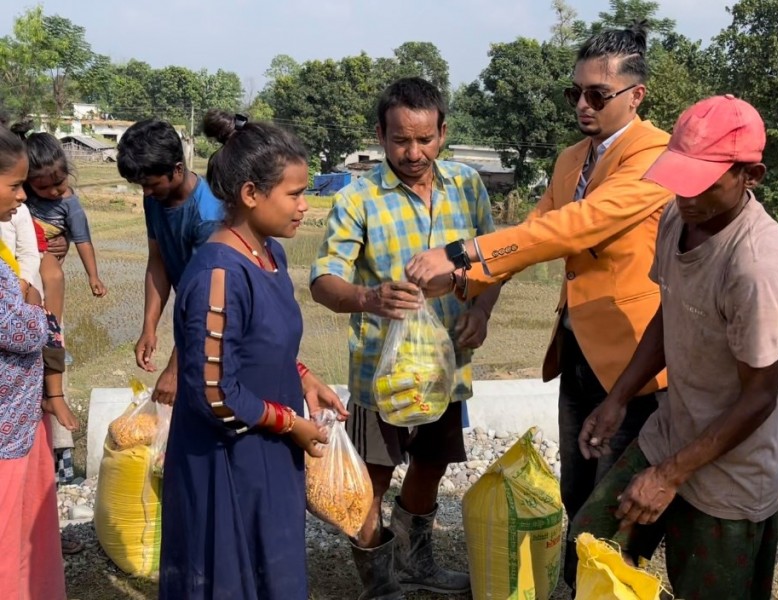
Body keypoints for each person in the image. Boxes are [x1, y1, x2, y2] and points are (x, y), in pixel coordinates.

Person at [405, 24, 673, 593]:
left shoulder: (657, 156)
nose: (581, 104)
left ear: (636, 96)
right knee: (578, 487)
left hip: (636, 360)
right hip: (577, 349)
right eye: (574, 92)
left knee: (619, 497)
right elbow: (533, 233)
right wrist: (470, 285)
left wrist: (460, 251)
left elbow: (578, 225)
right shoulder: (572, 157)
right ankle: (575, 584)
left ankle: (611, 584)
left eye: (597, 94)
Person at [573, 95, 778, 600]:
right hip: (673, 430)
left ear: (751, 176)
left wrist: (668, 477)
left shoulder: (755, 268)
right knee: (590, 540)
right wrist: (619, 398)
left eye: (704, 183)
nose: (686, 196)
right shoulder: (678, 218)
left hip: (733, 470)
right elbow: (668, 312)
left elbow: (759, 397)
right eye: (679, 177)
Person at [310, 77, 501, 599]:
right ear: (380, 135)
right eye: (400, 141)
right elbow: (323, 281)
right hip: (383, 375)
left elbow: (494, 260)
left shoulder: (466, 185)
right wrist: (371, 298)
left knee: (432, 464)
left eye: (424, 139)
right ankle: (380, 583)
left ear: (443, 133)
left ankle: (417, 563)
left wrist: (481, 311)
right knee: (372, 476)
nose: (413, 153)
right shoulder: (359, 198)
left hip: (447, 369)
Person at [159, 110, 348, 600]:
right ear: (250, 194)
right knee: (232, 572)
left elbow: (265, 341)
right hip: (228, 456)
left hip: (270, 447)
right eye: (294, 193)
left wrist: (303, 377)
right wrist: (293, 423)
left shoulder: (270, 254)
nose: (305, 206)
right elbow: (216, 394)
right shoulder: (220, 274)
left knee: (273, 568)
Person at [0, 123, 67, 600]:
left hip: (19, 419)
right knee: (9, 533)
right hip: (6, 428)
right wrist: (41, 317)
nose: (23, 197)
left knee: (26, 525)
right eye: (15, 186)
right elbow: (17, 327)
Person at [117, 119, 223, 405]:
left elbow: (208, 299)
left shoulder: (208, 215)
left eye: (151, 185)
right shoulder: (155, 200)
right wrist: (149, 327)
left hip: (217, 327)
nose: (146, 193)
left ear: (178, 169)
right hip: (193, 323)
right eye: (140, 185)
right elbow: (158, 261)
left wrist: (174, 369)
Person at [24, 132, 107, 322]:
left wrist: (93, 276)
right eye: (43, 188)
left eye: (58, 183)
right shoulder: (21, 193)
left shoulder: (70, 205)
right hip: (20, 249)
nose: (53, 192)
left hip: (45, 252)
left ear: (67, 171)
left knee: (53, 276)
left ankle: (53, 332)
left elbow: (83, 240)